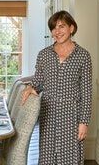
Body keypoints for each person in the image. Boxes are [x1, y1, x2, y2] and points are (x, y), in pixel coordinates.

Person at [22, 10, 92, 165]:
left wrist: (84, 122)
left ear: (71, 28)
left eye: (61, 26)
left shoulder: (83, 56)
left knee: (71, 159)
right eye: (54, 28)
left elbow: (87, 92)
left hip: (72, 116)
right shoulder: (44, 55)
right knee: (47, 159)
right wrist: (30, 87)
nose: (57, 31)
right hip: (48, 115)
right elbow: (38, 82)